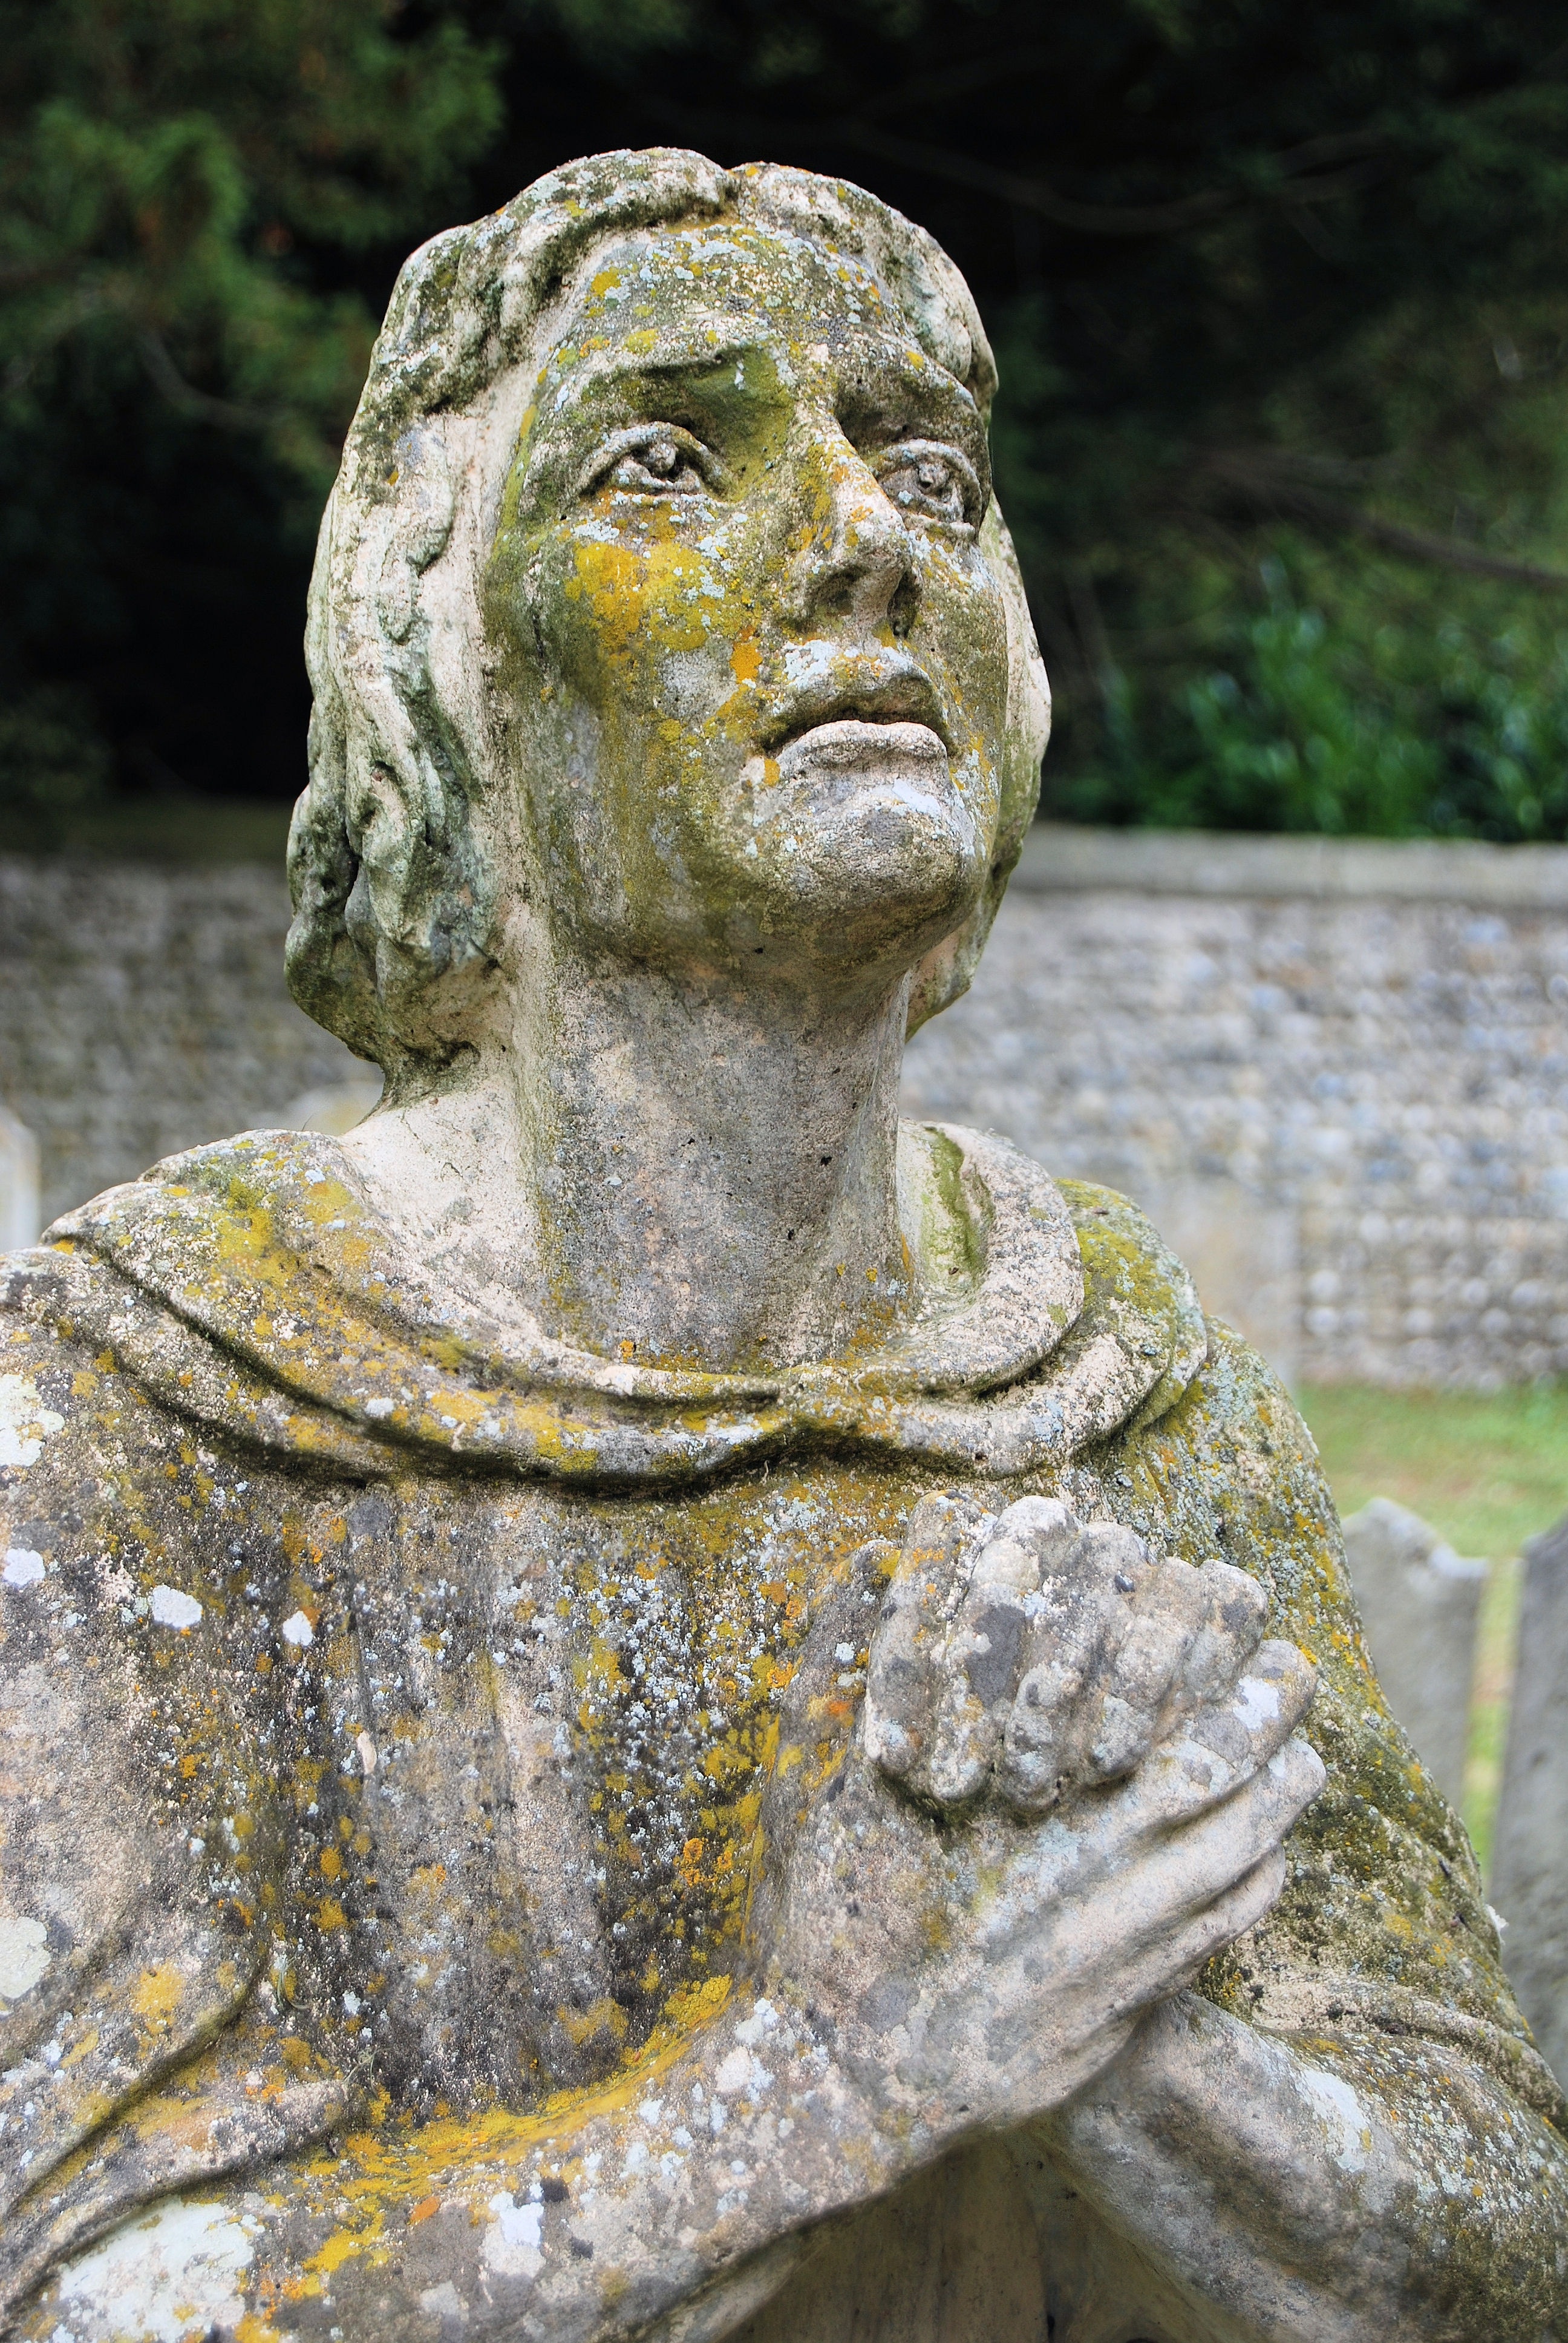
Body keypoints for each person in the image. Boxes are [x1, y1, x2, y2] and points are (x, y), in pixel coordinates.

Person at [1, 148, 1562, 2343]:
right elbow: (88, 2288)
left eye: (929, 467)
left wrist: (1118, 2019)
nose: (859, 540)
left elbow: (1500, 2248)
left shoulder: (1118, 1379)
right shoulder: (149, 1400)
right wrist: (838, 2079)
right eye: (666, 462)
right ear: (444, 669)